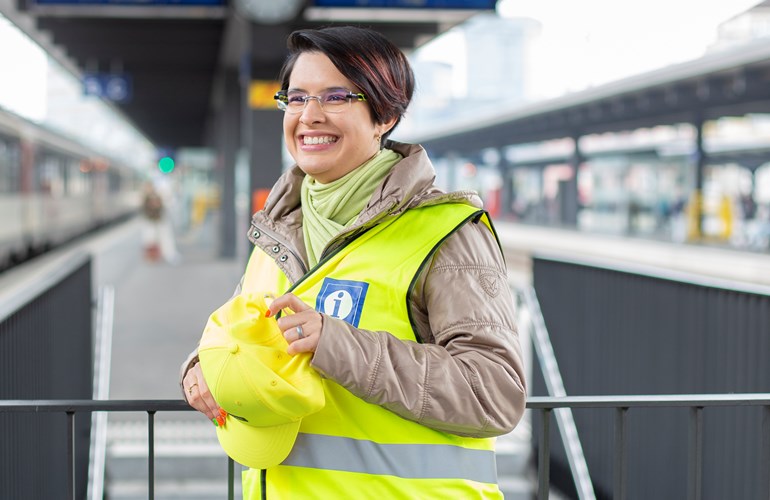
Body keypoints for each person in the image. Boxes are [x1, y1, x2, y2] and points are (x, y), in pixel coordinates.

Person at [181, 26, 526, 498]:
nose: (310, 116)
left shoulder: (446, 233)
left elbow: (494, 394)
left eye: (336, 97)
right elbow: (241, 333)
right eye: (297, 98)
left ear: (385, 114)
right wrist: (203, 366)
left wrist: (337, 346)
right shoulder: (277, 230)